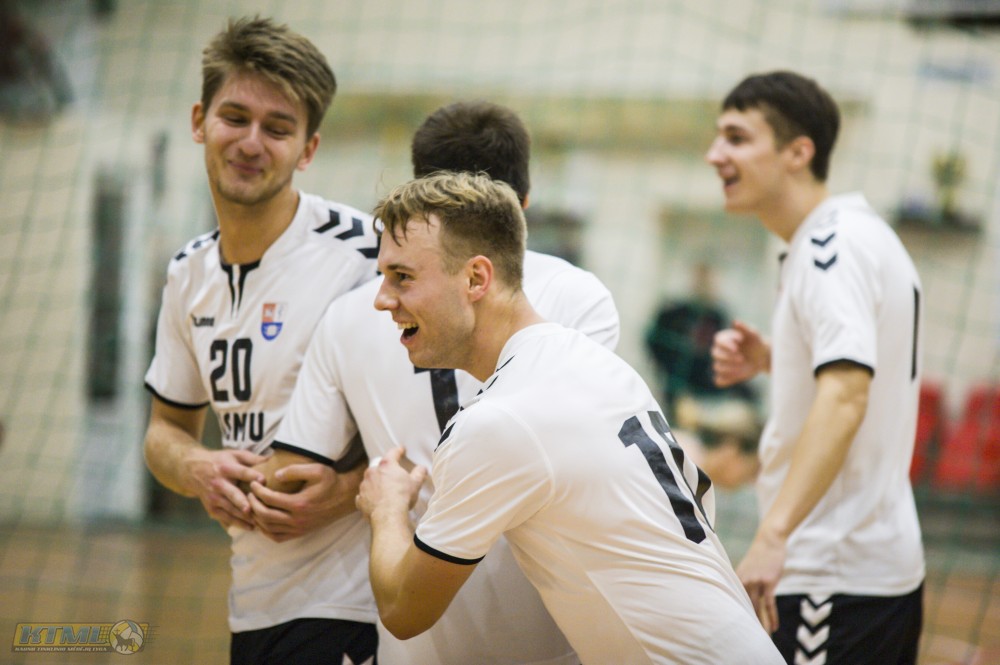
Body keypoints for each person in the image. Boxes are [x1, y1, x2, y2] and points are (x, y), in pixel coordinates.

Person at [356, 171, 784, 665]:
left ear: (476, 279)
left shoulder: (499, 422)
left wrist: (387, 508)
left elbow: (404, 610)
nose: (382, 299)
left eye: (402, 277)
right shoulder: (596, 364)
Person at [259, 100, 619, 664]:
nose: (390, 301)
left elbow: (289, 486)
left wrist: (367, 488)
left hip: (413, 635)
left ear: (419, 197)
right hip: (550, 638)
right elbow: (575, 458)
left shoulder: (350, 312)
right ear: (519, 211)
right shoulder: (581, 295)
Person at [141, 16, 379, 665]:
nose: (251, 142)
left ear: (308, 148)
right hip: (252, 601)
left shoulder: (368, 255)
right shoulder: (188, 273)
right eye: (235, 117)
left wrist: (347, 491)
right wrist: (197, 468)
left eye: (277, 128)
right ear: (199, 121)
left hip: (357, 602)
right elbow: (165, 432)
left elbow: (454, 421)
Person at [706, 71, 925, 664]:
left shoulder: (831, 248)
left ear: (798, 153)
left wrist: (773, 534)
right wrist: (778, 360)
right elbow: (859, 372)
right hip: (858, 567)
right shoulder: (847, 237)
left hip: (833, 571)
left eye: (736, 138)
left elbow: (848, 394)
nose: (714, 154)